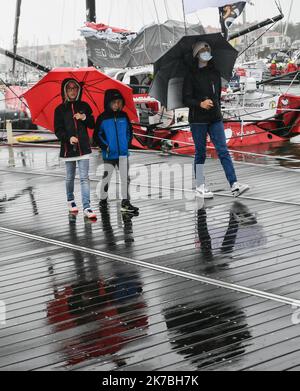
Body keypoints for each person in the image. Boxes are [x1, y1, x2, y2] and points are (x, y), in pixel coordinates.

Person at [183, 41, 250, 199]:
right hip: (198, 119)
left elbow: (217, 96)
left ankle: (234, 184)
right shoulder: (190, 75)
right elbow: (185, 99)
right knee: (200, 153)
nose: (206, 52)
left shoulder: (215, 73)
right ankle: (200, 185)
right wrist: (200, 103)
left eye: (208, 49)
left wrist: (215, 107)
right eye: (203, 50)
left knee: (223, 151)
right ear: (197, 54)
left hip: (215, 118)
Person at [54, 78, 97, 219]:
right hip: (68, 149)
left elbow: (92, 124)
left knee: (85, 178)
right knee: (70, 177)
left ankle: (87, 207)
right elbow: (58, 130)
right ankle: (70, 200)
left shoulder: (84, 106)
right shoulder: (59, 109)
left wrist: (84, 117)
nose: (72, 91)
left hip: (83, 147)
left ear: (78, 90)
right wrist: (68, 138)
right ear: (65, 91)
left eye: (75, 88)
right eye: (69, 88)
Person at [93, 89, 139, 214]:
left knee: (125, 178)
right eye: (114, 102)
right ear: (108, 103)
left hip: (123, 153)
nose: (116, 105)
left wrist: (127, 143)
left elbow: (129, 131)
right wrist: (105, 146)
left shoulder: (124, 116)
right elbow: (96, 136)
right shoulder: (102, 118)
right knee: (107, 177)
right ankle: (103, 198)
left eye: (119, 102)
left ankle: (126, 202)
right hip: (109, 154)